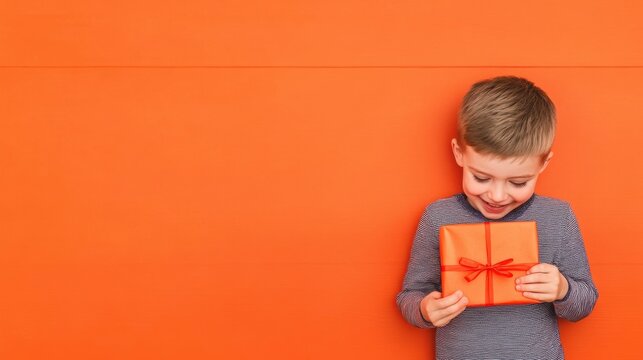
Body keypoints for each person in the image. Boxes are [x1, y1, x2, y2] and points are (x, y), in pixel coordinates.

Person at [396, 76, 598, 359]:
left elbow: (585, 302)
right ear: (459, 154)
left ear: (543, 164)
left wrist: (563, 289)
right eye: (481, 177)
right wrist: (424, 309)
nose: (497, 195)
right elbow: (410, 295)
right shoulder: (438, 217)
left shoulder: (557, 217)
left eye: (518, 183)